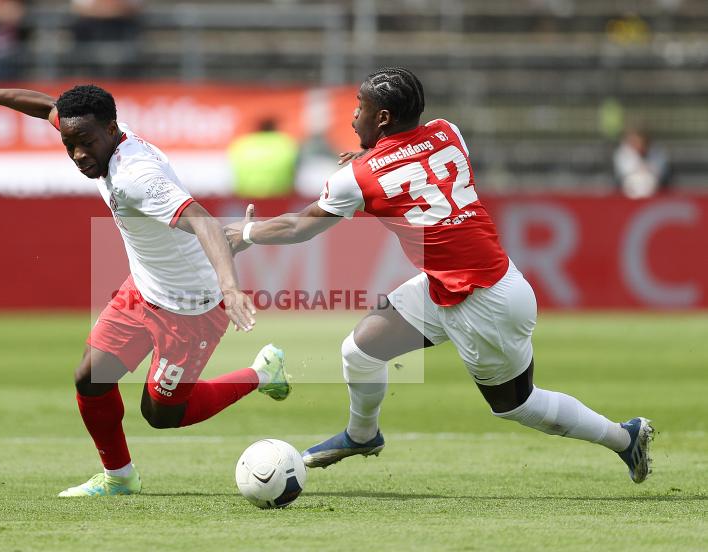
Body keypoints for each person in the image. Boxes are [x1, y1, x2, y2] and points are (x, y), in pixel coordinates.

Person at [226, 67, 653, 483]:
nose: (354, 116)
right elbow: (415, 162)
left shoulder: (356, 177)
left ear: (382, 117)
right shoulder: (449, 131)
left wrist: (246, 232)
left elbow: (301, 226)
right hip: (451, 285)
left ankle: (623, 436)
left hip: (484, 303)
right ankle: (362, 435)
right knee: (360, 351)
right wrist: (374, 157)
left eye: (360, 107)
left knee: (516, 405)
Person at [0, 79, 292, 497]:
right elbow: (46, 107)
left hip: (192, 306)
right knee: (90, 377)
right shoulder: (93, 130)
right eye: (70, 145)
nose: (78, 154)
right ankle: (119, 478)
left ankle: (261, 374)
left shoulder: (137, 175)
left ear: (111, 129)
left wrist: (230, 287)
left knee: (162, 414)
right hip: (144, 288)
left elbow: (203, 220)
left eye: (86, 143)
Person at [228, 117, 300, 199]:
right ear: (275, 128)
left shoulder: (241, 143)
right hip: (279, 195)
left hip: (247, 195)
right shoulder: (286, 142)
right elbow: (295, 168)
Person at [613, 127, 669, 200]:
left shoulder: (657, 152)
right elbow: (624, 171)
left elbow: (659, 171)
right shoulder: (623, 153)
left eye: (641, 142)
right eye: (636, 141)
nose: (639, 144)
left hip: (653, 187)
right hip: (629, 188)